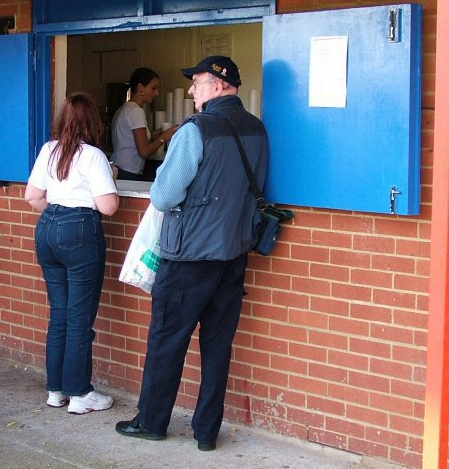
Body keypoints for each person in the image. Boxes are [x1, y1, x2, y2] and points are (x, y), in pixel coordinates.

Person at [115, 56, 269, 451]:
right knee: (218, 347)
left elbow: (164, 196)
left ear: (218, 85)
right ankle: (206, 433)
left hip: (188, 259)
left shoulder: (194, 130)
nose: (190, 90)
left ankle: (151, 421)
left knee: (167, 341)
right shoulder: (258, 129)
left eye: (196, 82)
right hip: (234, 257)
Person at [25, 92, 119, 414]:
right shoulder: (93, 156)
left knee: (59, 315)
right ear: (94, 122)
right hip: (79, 232)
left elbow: (32, 196)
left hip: (47, 229)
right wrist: (110, 177)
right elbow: (108, 207)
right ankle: (80, 394)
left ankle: (56, 391)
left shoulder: (49, 149)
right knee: (80, 318)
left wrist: (57, 207)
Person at [110, 67, 178, 181]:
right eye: (153, 88)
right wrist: (164, 137)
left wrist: (154, 136)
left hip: (119, 168)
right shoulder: (136, 112)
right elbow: (144, 152)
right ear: (141, 88)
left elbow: (129, 142)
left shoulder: (124, 109)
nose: (157, 93)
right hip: (128, 172)